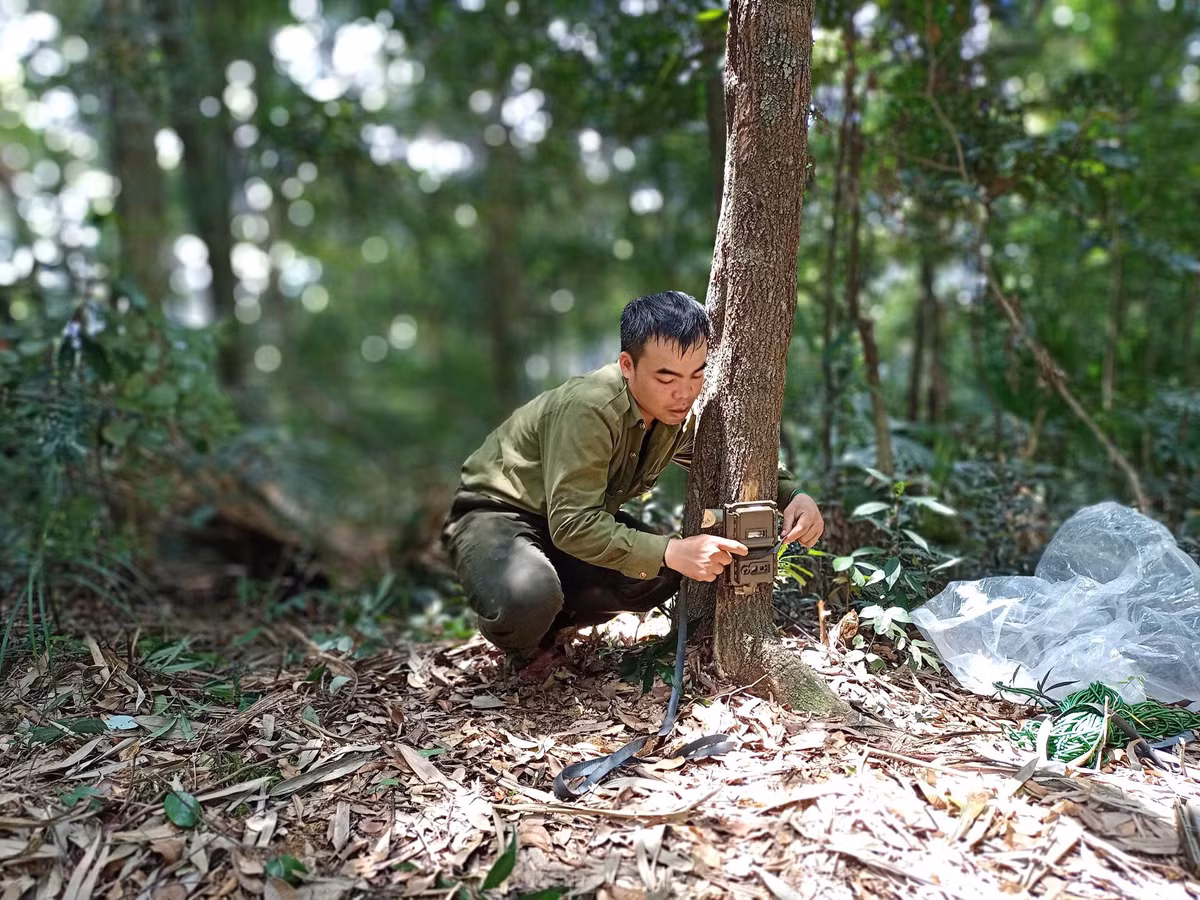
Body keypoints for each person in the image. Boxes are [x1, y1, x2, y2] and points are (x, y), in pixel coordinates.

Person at [441, 290, 824, 667]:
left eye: (697, 374)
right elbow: (572, 524)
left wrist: (793, 495)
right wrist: (671, 550)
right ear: (627, 364)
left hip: (566, 522)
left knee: (657, 575)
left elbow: (727, 460)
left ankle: (554, 621)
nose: (685, 392)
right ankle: (522, 633)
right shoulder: (589, 408)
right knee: (528, 597)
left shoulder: (672, 414)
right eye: (666, 376)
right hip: (496, 512)